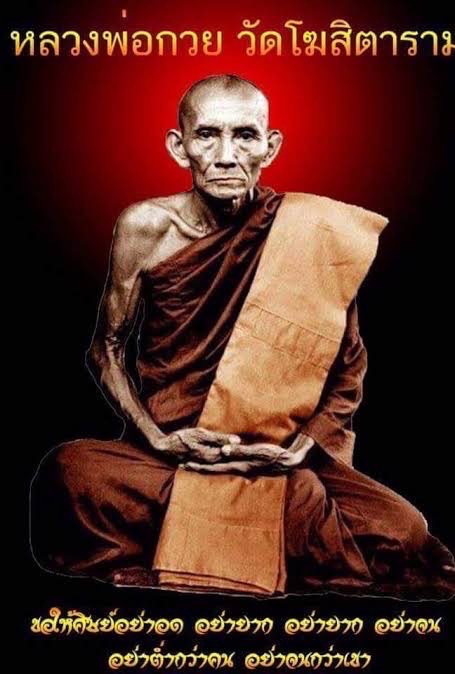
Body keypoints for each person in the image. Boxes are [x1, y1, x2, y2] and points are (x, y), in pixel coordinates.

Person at [31, 74, 454, 594]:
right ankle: (247, 543)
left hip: (276, 457)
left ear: (269, 147)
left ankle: (182, 551)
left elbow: (347, 365)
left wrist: (301, 447)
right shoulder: (145, 227)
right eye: (208, 135)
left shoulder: (312, 233)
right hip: (174, 453)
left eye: (245, 136)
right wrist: (160, 439)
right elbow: (107, 349)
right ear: (179, 146)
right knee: (69, 472)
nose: (226, 156)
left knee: (403, 530)